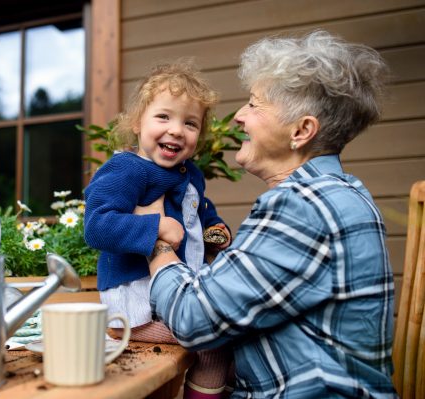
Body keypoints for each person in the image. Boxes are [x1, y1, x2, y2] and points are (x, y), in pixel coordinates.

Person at [140, 31, 398, 398]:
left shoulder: (304, 205)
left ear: (301, 130)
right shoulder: (340, 192)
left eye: (255, 104)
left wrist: (155, 237)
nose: (240, 117)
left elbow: (192, 317)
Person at [84, 59, 236, 398]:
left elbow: (200, 211)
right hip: (135, 306)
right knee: (212, 341)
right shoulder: (127, 170)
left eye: (190, 123)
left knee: (228, 341)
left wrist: (215, 230)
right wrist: (154, 227)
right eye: (163, 117)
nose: (177, 130)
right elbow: (97, 226)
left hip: (174, 294)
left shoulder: (189, 173)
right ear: (137, 123)